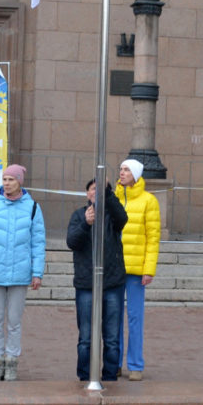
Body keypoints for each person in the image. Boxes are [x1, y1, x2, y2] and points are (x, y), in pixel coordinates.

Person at [0, 164, 46, 382]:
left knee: (14, 321)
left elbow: (38, 243)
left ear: (20, 182)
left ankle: (12, 362)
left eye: (11, 179)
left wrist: (37, 272)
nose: (6, 183)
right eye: (4, 179)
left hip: (20, 274)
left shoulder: (33, 208)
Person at [66, 178, 127, 382]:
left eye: (100, 190)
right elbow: (72, 242)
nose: (96, 193)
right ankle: (84, 377)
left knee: (111, 337)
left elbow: (123, 218)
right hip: (86, 284)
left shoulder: (112, 216)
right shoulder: (78, 215)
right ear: (87, 194)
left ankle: (110, 377)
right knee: (86, 338)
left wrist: (108, 192)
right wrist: (86, 223)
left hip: (112, 283)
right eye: (93, 190)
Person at [114, 158, 160, 382]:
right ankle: (114, 364)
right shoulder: (112, 198)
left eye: (126, 170)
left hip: (134, 270)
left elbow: (153, 238)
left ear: (135, 174)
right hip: (114, 268)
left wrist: (148, 269)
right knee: (113, 318)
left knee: (134, 318)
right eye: (120, 169)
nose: (121, 173)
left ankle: (135, 365)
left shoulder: (148, 201)